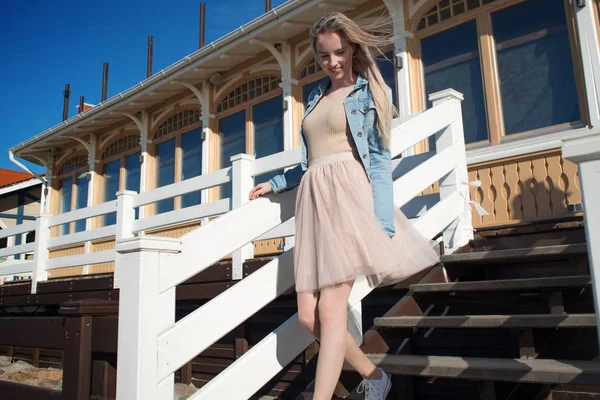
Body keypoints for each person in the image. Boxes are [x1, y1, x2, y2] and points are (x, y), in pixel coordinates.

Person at [249, 12, 439, 400]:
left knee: (332, 312)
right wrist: (277, 182)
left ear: (352, 48)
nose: (333, 62)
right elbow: (309, 162)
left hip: (348, 201)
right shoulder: (317, 96)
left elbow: (380, 162)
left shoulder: (369, 96)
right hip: (314, 206)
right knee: (308, 317)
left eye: (339, 52)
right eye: (323, 56)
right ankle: (376, 377)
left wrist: (382, 219)